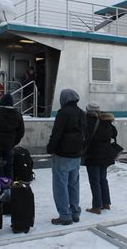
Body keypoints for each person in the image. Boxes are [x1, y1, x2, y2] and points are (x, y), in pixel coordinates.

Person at [46, 89, 86, 225]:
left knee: (60, 185)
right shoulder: (81, 113)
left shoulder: (63, 113)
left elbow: (56, 133)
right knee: (74, 184)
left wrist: (50, 148)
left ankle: (64, 215)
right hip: (76, 154)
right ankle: (75, 212)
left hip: (62, 154)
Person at [84, 101, 117, 215]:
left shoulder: (88, 121)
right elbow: (114, 133)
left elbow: (85, 138)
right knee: (103, 179)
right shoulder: (106, 121)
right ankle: (106, 203)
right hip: (106, 155)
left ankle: (96, 207)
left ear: (88, 110)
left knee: (94, 181)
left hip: (93, 155)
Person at [0, 93, 25, 178]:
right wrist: (14, 142)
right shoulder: (17, 114)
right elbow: (21, 132)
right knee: (9, 167)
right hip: (10, 145)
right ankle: (8, 186)